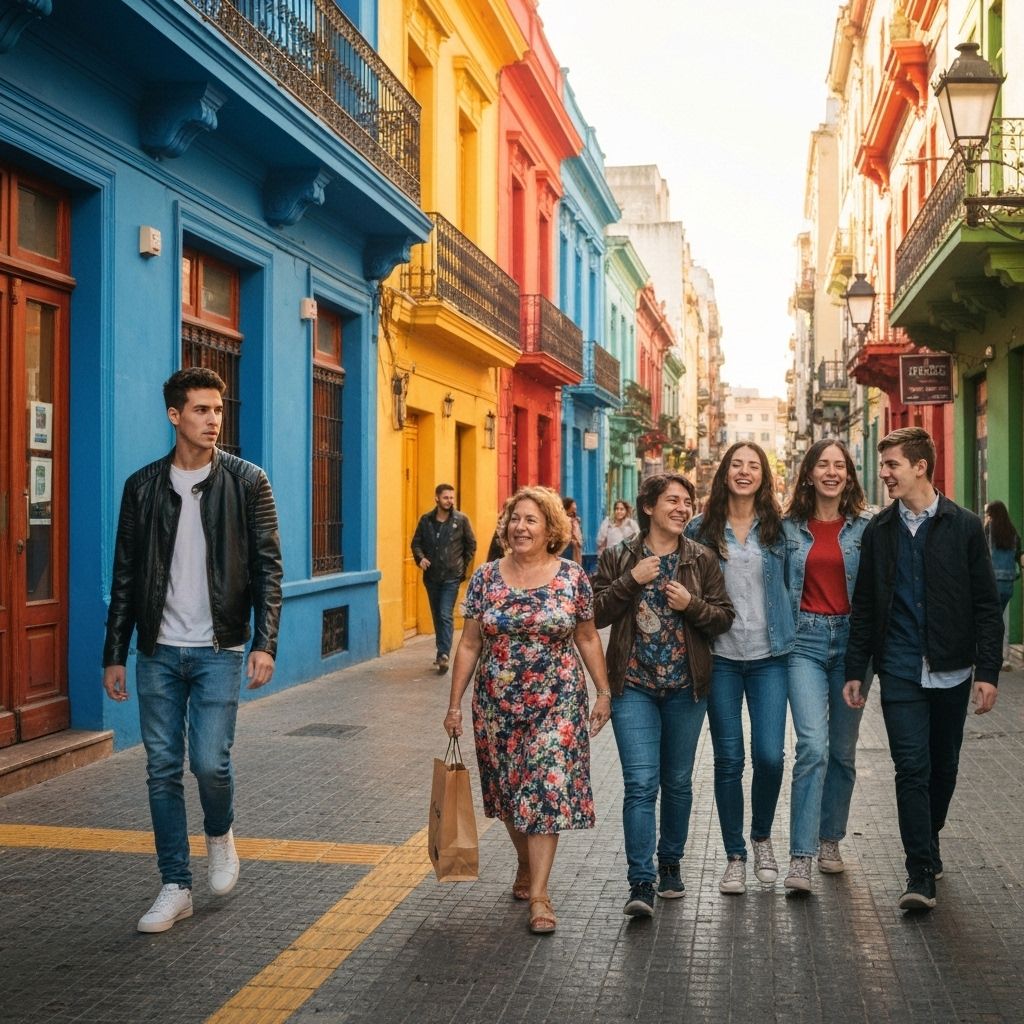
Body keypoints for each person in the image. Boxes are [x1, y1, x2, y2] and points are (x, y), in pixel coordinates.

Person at [102, 367, 283, 934]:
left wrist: (264, 642)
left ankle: (220, 831)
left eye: (218, 410)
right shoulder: (143, 486)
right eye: (201, 410)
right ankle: (174, 885)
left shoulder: (249, 481)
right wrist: (116, 651)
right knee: (161, 769)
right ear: (174, 415)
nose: (212, 420)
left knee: (209, 762)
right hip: (157, 651)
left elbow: (267, 570)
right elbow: (126, 574)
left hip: (219, 648)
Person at [844, 427, 1001, 912]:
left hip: (952, 670)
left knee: (943, 768)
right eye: (884, 464)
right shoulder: (880, 530)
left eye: (891, 464)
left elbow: (985, 604)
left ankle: (927, 841)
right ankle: (918, 871)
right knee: (910, 767)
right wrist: (857, 669)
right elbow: (867, 606)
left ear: (920, 467)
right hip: (900, 669)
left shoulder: (966, 525)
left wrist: (988, 671)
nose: (884, 474)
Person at [443, 486, 611, 935]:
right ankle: (523, 861)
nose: (520, 527)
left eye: (531, 520)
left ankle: (540, 893)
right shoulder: (484, 578)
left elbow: (588, 637)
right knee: (509, 797)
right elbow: (470, 644)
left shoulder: (573, 577)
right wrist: (454, 704)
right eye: (515, 518)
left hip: (556, 702)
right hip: (496, 706)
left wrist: (604, 691)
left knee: (545, 790)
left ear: (550, 528)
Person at [593, 474, 734, 917]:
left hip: (685, 687)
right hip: (631, 687)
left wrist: (690, 604)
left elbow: (723, 618)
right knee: (640, 783)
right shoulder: (619, 556)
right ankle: (641, 881)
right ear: (649, 507)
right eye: (672, 499)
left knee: (676, 781)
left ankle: (670, 861)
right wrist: (631, 580)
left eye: (686, 500)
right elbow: (594, 612)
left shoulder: (702, 559)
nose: (681, 506)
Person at [686, 442, 793, 895]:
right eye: (737, 465)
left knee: (770, 756)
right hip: (721, 658)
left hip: (770, 656)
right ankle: (735, 856)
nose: (744, 472)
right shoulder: (700, 528)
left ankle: (763, 837)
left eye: (753, 466)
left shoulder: (780, 529)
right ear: (724, 472)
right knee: (729, 759)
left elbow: (796, 583)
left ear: (763, 475)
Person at [781, 439, 870, 892]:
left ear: (849, 475)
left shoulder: (867, 528)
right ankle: (801, 856)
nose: (832, 472)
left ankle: (830, 838)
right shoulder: (788, 528)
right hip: (804, 642)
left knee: (843, 751)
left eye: (840, 465)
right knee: (812, 745)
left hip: (853, 647)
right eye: (823, 465)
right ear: (810, 473)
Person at [411, 484, 477, 674]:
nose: (450, 501)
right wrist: (420, 558)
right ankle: (442, 651)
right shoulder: (426, 521)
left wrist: (462, 568)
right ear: (437, 499)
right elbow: (416, 543)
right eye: (446, 497)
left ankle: (444, 654)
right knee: (436, 615)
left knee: (444, 613)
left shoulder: (461, 520)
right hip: (431, 576)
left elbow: (471, 545)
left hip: (451, 577)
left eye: (451, 497)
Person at [984, 500, 1022, 670]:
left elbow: (980, 553)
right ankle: (1004, 658)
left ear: (992, 515)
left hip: (990, 583)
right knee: (1002, 620)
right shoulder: (1013, 533)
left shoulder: (988, 530)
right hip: (1007, 585)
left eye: (988, 514)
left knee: (987, 620)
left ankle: (987, 657)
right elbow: (1019, 556)